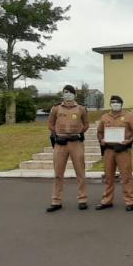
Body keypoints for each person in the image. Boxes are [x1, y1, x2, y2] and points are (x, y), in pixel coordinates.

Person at [46, 85, 90, 213]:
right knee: (58, 173)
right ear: (63, 94)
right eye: (66, 92)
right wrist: (56, 134)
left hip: (76, 142)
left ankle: (82, 199)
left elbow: (86, 124)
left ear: (74, 95)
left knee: (80, 172)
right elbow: (50, 123)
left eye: (71, 92)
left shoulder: (81, 108)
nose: (68, 95)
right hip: (60, 143)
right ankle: (56, 201)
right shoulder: (56, 108)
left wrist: (80, 133)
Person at [97, 95, 133, 211]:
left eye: (117, 102)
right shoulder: (105, 117)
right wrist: (101, 140)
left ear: (121, 104)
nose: (115, 104)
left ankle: (130, 201)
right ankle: (107, 201)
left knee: (126, 176)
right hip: (109, 150)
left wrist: (129, 141)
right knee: (109, 177)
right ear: (110, 104)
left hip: (123, 150)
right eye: (113, 102)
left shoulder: (128, 116)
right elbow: (100, 132)